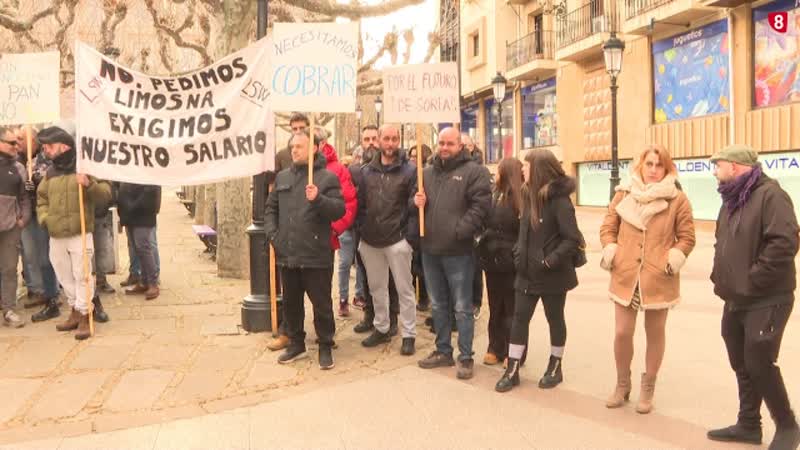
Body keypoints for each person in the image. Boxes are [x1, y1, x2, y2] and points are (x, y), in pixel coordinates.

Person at [706, 145, 800, 450]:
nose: (715, 171)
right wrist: (719, 276)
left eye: (717, 165)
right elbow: (723, 242)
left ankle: (787, 425)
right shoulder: (731, 200)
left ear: (734, 166)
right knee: (740, 358)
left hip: (768, 296)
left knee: (759, 358)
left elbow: (784, 243)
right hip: (736, 297)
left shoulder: (771, 195)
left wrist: (752, 279)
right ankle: (749, 424)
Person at [599, 144, 696, 413]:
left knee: (655, 334)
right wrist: (611, 248)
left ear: (667, 168)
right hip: (626, 272)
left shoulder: (677, 199)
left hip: (658, 275)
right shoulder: (623, 194)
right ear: (640, 165)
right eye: (649, 164)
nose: (653, 170)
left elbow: (687, 236)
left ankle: (648, 388)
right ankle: (622, 384)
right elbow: (608, 227)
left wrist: (673, 257)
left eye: (659, 165)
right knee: (622, 332)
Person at [494, 149, 582, 392]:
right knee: (519, 319)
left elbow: (571, 239)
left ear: (539, 169)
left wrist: (549, 261)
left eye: (526, 166)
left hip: (552, 273)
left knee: (555, 319)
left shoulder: (560, 201)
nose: (522, 169)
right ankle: (512, 369)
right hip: (525, 272)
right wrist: (518, 254)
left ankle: (555, 365)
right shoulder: (527, 194)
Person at [415, 127, 491, 380]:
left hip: (459, 252)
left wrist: (459, 231)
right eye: (441, 143)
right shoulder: (425, 173)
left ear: (461, 146)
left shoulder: (475, 172)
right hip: (431, 250)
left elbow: (481, 207)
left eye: (450, 143)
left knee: (462, 307)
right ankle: (442, 350)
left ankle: (466, 356)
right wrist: (415, 203)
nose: (444, 148)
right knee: (438, 305)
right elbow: (413, 208)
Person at [264, 131, 345, 370]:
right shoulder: (282, 177)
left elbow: (338, 210)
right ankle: (296, 344)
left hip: (315, 254)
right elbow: (271, 209)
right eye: (292, 147)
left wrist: (318, 198)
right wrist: (273, 236)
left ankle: (325, 345)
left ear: (314, 149)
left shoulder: (327, 178)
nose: (295, 150)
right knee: (291, 303)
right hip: (288, 253)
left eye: (300, 146)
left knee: (321, 304)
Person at [37, 121, 112, 340]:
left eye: (49, 146)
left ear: (63, 146)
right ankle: (75, 309)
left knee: (83, 275)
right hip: (56, 233)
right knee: (63, 275)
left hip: (80, 232)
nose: (45, 151)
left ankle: (85, 316)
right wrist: (45, 219)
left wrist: (88, 184)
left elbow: (105, 195)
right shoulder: (50, 172)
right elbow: (41, 199)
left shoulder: (86, 166)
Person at [357, 125, 418, 355]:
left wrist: (408, 238)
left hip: (398, 239)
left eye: (394, 139)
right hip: (370, 239)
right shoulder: (365, 171)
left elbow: (413, 206)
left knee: (404, 289)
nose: (390, 143)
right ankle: (381, 327)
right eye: (386, 139)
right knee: (376, 288)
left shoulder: (410, 171)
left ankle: (409, 333)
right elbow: (361, 204)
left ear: (399, 140)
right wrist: (361, 230)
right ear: (380, 141)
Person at [477, 157, 523, 367]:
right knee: (495, 307)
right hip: (492, 261)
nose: (495, 174)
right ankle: (494, 347)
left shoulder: (520, 197)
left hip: (511, 262)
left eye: (498, 171)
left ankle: (513, 352)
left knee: (512, 310)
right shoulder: (494, 194)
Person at [14, 127, 61, 321]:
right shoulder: (16, 160)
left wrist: (38, 180)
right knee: (29, 253)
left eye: (20, 139)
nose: (17, 143)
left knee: (44, 256)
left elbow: (53, 181)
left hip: (41, 212)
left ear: (32, 140)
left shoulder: (45, 157)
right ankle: (36, 289)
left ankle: (52, 293)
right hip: (25, 213)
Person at [315, 128, 357, 317]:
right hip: (301, 238)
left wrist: (334, 229)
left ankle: (326, 328)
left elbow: (349, 203)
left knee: (323, 285)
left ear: (321, 144)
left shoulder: (338, 169)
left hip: (327, 237)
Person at [0, 125, 32, 328]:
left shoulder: (20, 168)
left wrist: (23, 219)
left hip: (11, 226)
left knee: (10, 269)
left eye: (17, 142)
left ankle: (9, 309)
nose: (16, 146)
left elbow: (25, 198)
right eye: (11, 142)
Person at [118, 183, 162, 300]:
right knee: (137, 249)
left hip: (142, 214)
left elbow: (151, 190)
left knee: (143, 247)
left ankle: (153, 283)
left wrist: (131, 206)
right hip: (129, 214)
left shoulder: (147, 174)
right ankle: (143, 281)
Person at [408, 144, 432, 312]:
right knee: (410, 266)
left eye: (416, 156)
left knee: (423, 267)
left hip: (426, 227)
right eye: (411, 156)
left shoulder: (428, 175)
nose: (412, 159)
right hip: (410, 227)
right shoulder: (408, 174)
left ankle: (424, 297)